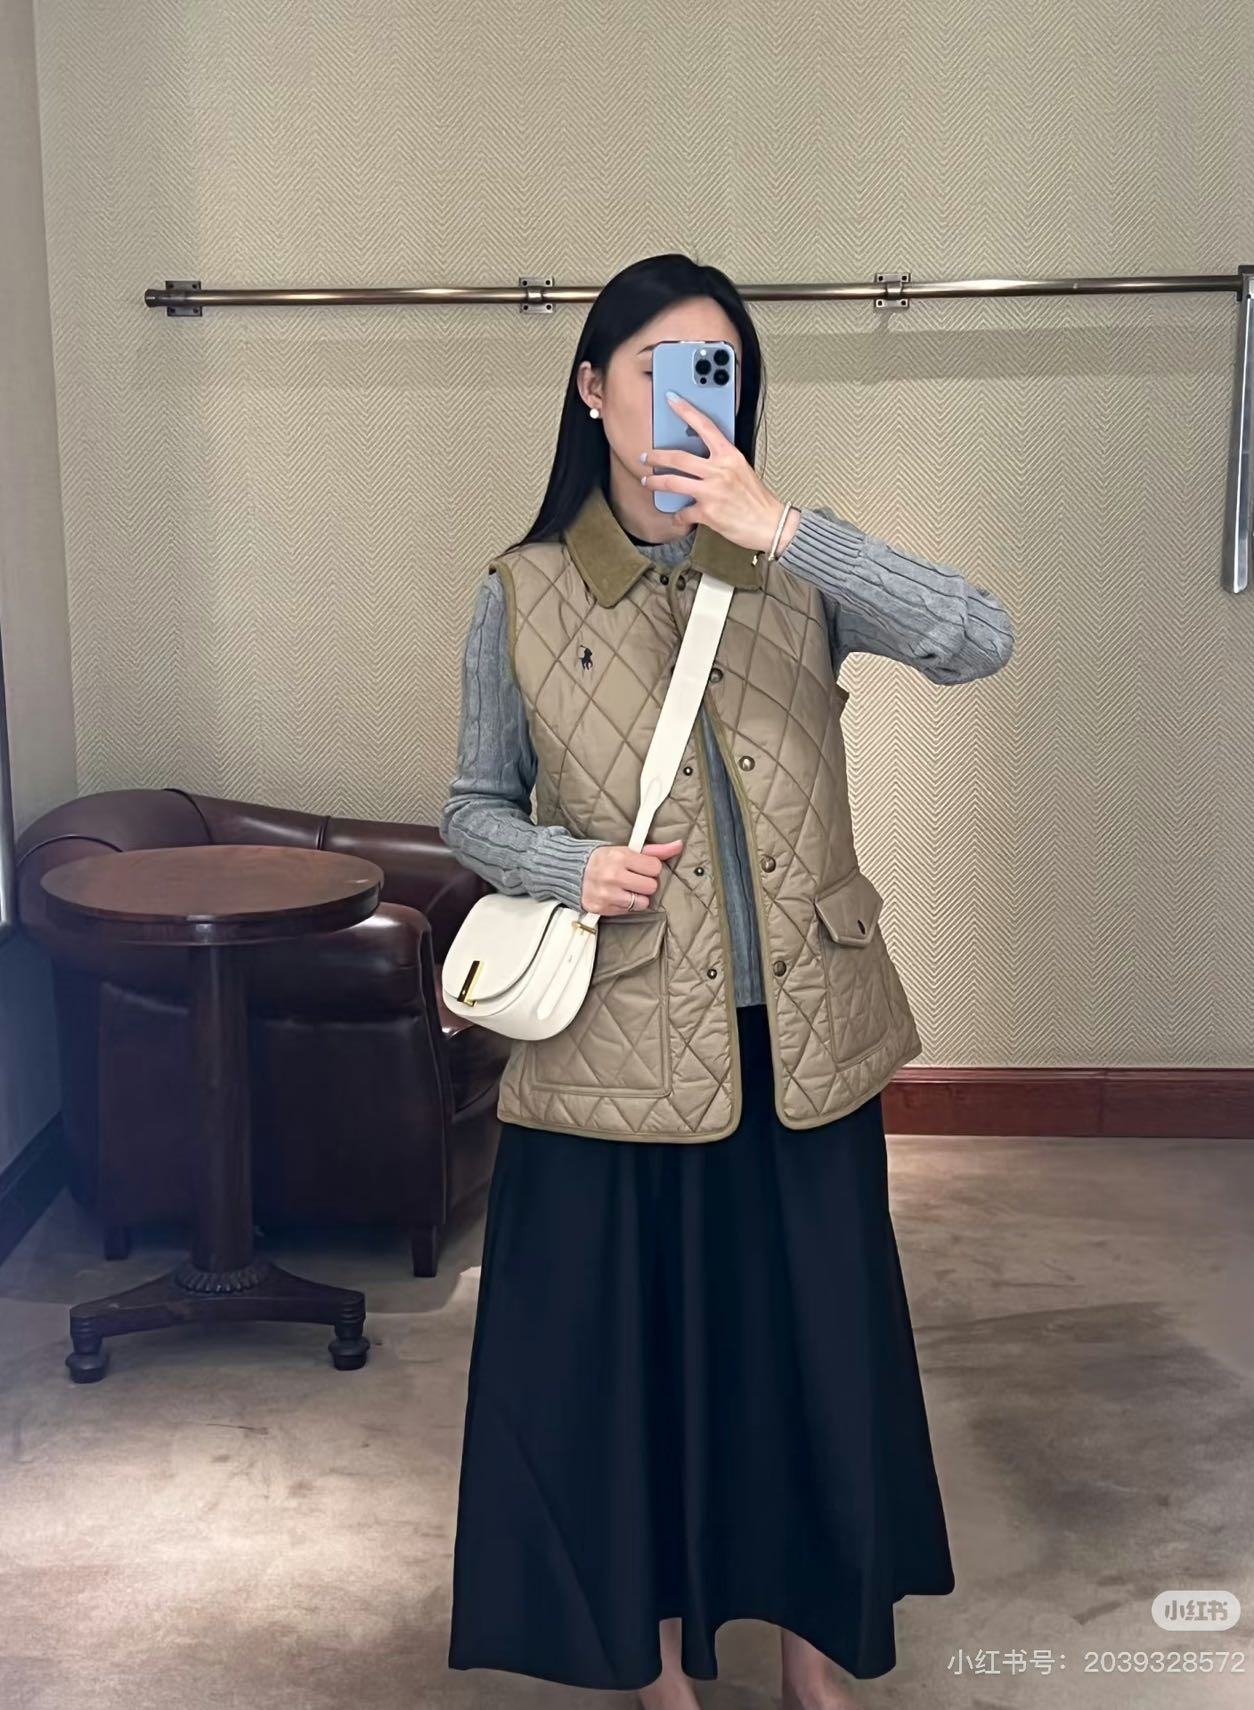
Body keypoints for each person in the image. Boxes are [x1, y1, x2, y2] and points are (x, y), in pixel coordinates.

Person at [442, 252, 1015, 1709]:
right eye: (658, 367)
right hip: (613, 1054)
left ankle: (815, 1660)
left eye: (721, 370)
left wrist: (787, 529)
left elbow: (979, 636)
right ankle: (657, 1676)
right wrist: (568, 866)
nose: (691, 397)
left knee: (812, 1371)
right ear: (591, 388)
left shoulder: (794, 573)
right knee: (626, 1388)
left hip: (801, 1046)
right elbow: (470, 808)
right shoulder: (520, 591)